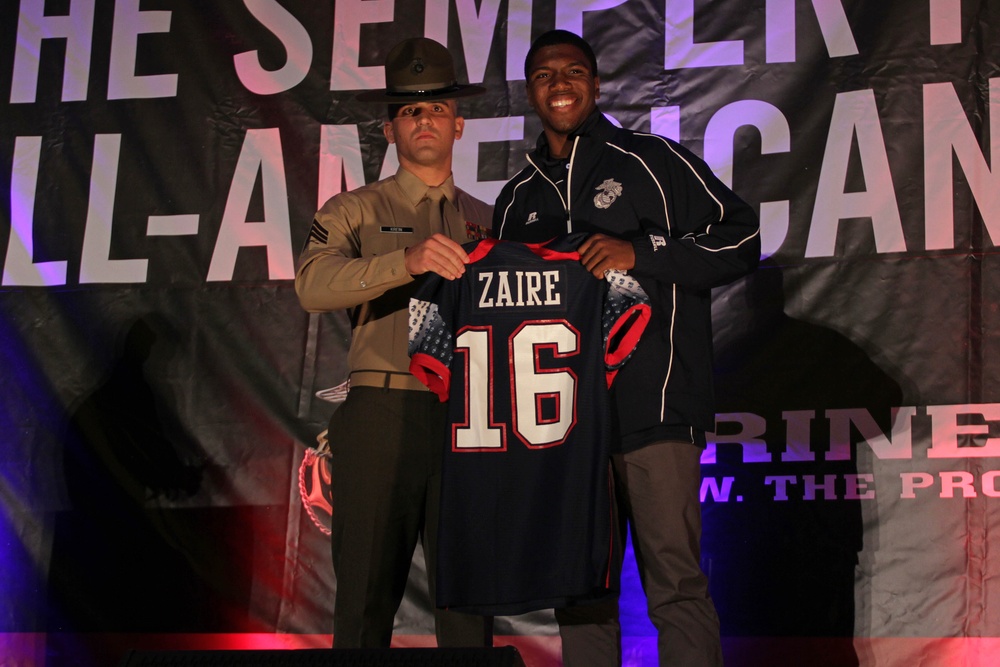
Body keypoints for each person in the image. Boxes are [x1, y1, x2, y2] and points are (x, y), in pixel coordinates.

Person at [494, 30, 761, 666]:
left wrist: (640, 252)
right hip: (561, 431)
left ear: (596, 81)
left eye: (573, 71)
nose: (559, 84)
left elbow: (742, 239)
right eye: (544, 75)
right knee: (581, 594)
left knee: (676, 586)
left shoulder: (653, 161)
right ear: (530, 92)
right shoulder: (516, 200)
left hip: (655, 410)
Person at [295, 37, 494, 649]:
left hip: (469, 418)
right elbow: (312, 285)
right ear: (390, 129)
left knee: (469, 604)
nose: (424, 119)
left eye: (436, 108)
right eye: (410, 110)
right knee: (364, 603)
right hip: (384, 410)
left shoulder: (490, 219)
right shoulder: (354, 210)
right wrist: (403, 261)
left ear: (459, 125)